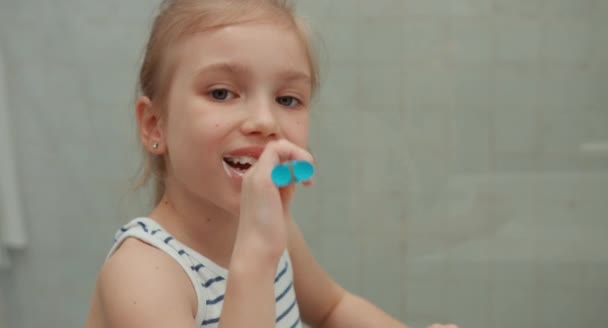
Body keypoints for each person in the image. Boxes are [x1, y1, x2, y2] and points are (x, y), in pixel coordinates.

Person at [86, 1, 458, 327]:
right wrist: (257, 257)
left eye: (288, 99)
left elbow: (332, 309)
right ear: (155, 125)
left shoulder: (270, 228)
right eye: (221, 92)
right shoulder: (144, 276)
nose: (265, 121)